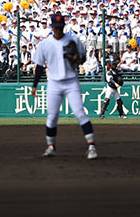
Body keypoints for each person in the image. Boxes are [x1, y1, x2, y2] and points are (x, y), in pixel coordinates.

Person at [30, 12, 97, 159]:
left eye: (61, 27)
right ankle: (51, 147)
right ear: (52, 27)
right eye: (56, 27)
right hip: (53, 83)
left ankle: (91, 146)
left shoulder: (73, 40)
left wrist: (76, 58)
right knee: (52, 116)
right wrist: (34, 85)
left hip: (71, 81)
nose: (58, 30)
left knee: (80, 113)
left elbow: (83, 58)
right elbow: (40, 66)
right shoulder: (45, 44)